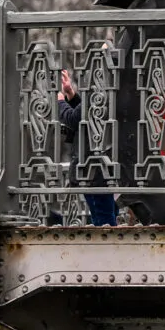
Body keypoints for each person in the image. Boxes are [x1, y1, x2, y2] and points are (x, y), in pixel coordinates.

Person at [55, 69, 118, 226]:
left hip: (93, 165)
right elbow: (85, 114)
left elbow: (73, 118)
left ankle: (107, 247)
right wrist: (71, 94)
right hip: (101, 163)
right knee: (106, 211)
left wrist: (60, 102)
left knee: (103, 219)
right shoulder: (107, 90)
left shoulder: (97, 90)